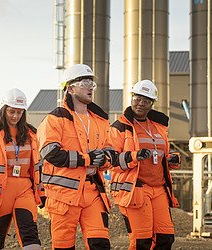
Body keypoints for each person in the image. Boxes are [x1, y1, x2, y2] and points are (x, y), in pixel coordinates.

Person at [37, 64, 113, 250]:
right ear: (70, 88)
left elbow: (112, 152)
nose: (90, 87)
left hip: (93, 192)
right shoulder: (55, 119)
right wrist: (86, 159)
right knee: (64, 247)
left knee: (100, 244)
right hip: (63, 197)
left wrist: (103, 159)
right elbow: (50, 153)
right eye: (85, 82)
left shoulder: (100, 121)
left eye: (92, 84)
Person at [108, 79, 181, 250]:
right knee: (142, 241)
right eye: (137, 98)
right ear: (131, 98)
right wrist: (134, 156)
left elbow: (161, 155)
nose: (140, 103)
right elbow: (110, 160)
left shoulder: (158, 127)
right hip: (135, 190)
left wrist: (171, 160)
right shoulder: (120, 127)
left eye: (146, 100)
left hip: (159, 189)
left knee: (165, 239)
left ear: (152, 104)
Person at [0, 88, 43, 250]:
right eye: (11, 111)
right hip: (1, 193)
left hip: (24, 190)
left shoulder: (32, 134)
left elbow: (38, 167)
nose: (15, 116)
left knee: (30, 234)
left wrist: (42, 192)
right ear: (3, 110)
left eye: (19, 112)